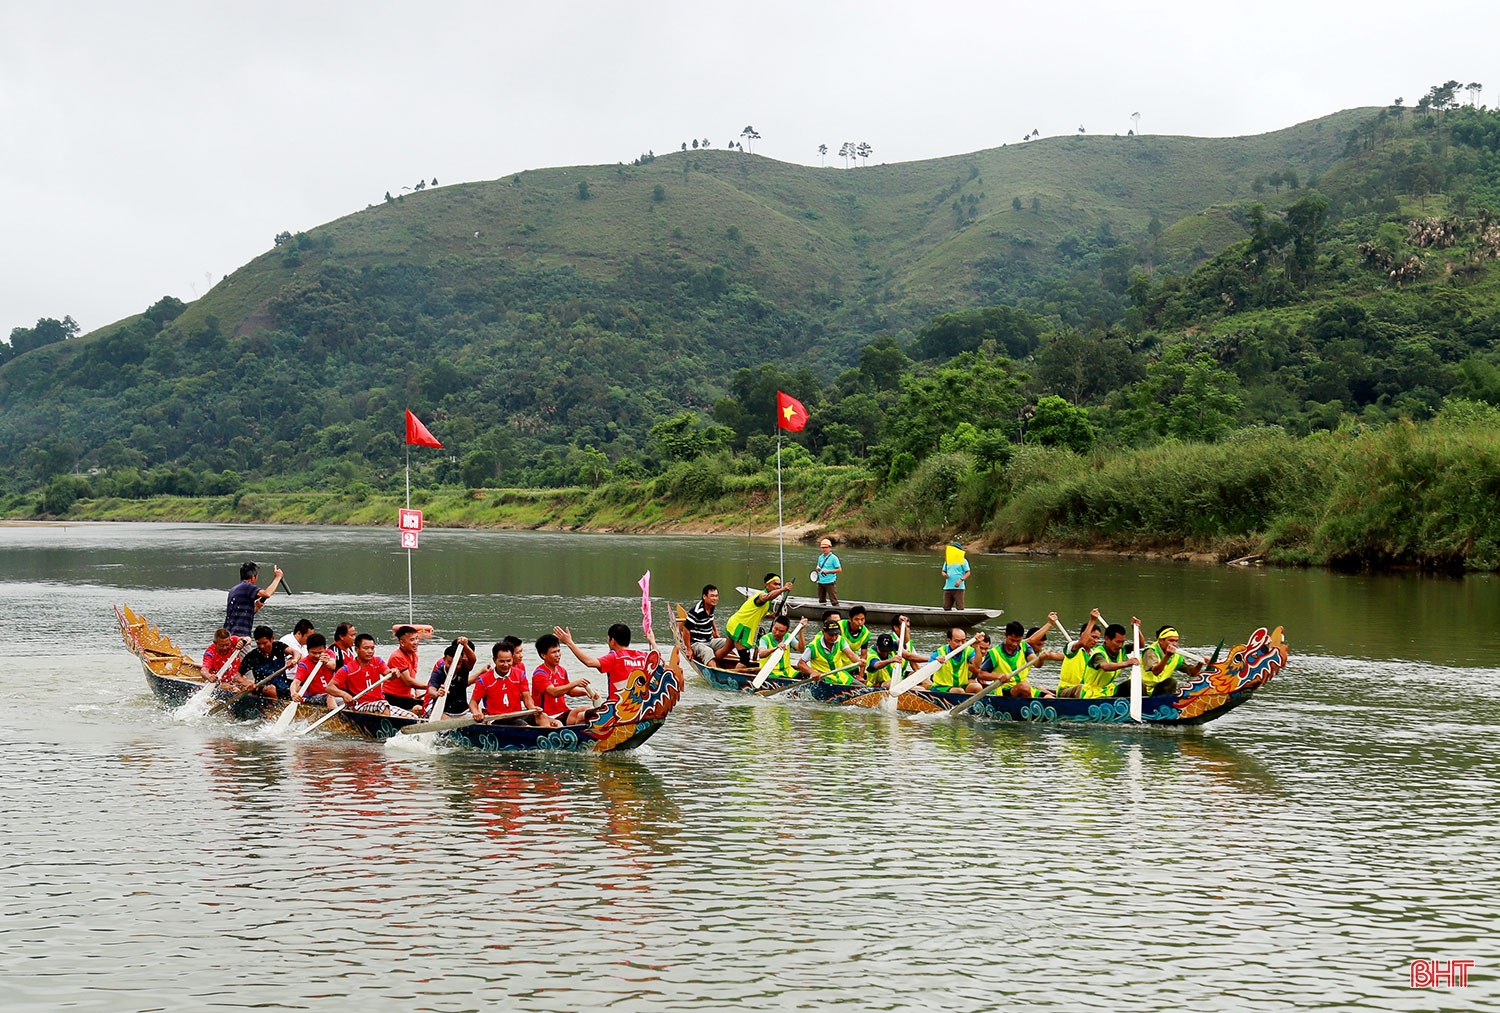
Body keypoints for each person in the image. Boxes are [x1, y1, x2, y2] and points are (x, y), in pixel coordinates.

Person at [555, 622, 655, 702]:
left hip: (618, 710)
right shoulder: (644, 656)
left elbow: (589, 662)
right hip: (641, 706)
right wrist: (653, 642)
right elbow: (660, 661)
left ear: (612, 641)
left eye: (608, 639)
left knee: (583, 715)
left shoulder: (615, 657)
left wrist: (569, 642)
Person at [714, 574, 791, 668]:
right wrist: (783, 589)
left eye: (779, 585)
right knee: (745, 660)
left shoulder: (767, 603)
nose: (778, 587)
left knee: (725, 650)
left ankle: (714, 666)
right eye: (775, 584)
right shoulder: (762, 595)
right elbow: (767, 597)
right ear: (767, 585)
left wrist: (771, 616)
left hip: (735, 623)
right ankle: (732, 677)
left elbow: (756, 612)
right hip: (741, 628)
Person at [973, 620, 1055, 699]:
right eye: (1012, 640)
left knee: (1049, 697)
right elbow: (981, 674)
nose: (1014, 644)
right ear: (1005, 635)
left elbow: (1037, 664)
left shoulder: (1025, 646)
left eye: (1018, 641)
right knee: (1024, 687)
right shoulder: (994, 653)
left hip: (1026, 688)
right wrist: (997, 676)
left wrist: (1041, 659)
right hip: (1003, 691)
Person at [471, 640, 546, 725]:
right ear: (494, 660)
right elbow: (473, 702)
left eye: (509, 661)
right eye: (502, 661)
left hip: (517, 715)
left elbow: (526, 697)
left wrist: (533, 708)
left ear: (512, 659)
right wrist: (475, 712)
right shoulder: (483, 679)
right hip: (497, 719)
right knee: (521, 724)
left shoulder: (520, 674)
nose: (506, 665)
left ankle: (547, 734)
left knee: (542, 716)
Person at [532, 632, 599, 725]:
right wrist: (575, 683)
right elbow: (554, 692)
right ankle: (579, 730)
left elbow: (569, 691)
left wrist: (585, 692)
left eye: (558, 651)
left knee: (589, 709)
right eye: (554, 652)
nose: (558, 655)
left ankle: (582, 729)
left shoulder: (561, 670)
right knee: (560, 722)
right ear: (543, 655)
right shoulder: (539, 674)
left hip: (564, 713)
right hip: (547, 717)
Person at [328, 634, 393, 713]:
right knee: (383, 705)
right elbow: (330, 687)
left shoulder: (378, 661)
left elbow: (389, 675)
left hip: (379, 703)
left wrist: (394, 672)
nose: (370, 651)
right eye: (366, 648)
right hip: (360, 705)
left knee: (410, 715)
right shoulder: (347, 669)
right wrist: (344, 695)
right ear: (356, 649)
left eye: (372, 648)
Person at [1140, 625, 1204, 696]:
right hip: (1142, 688)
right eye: (1171, 640)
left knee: (1171, 682)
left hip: (1158, 688)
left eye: (1176, 641)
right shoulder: (1150, 651)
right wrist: (1168, 656)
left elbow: (1192, 673)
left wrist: (1200, 664)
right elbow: (1156, 671)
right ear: (1160, 641)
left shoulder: (1176, 655)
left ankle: (1165, 703)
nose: (1174, 644)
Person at [224, 562, 283, 639]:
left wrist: (257, 607)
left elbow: (240, 614)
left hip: (229, 635)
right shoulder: (247, 586)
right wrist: (278, 577)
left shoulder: (234, 590)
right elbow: (267, 593)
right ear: (252, 577)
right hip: (240, 637)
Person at [794, 619, 863, 685]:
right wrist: (813, 672)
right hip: (823, 677)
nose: (834, 638)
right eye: (831, 635)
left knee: (862, 688)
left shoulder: (841, 640)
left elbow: (851, 655)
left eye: (836, 634)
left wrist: (859, 661)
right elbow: (801, 664)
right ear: (823, 632)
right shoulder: (813, 646)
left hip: (840, 675)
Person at [1055, 610, 1103, 698]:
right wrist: (1092, 620)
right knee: (1081, 688)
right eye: (1093, 637)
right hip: (1066, 690)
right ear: (1083, 634)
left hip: (1086, 691)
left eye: (1097, 638)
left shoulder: (1095, 654)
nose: (1095, 641)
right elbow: (1081, 642)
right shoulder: (1072, 647)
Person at [427, 637, 480, 717]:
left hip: (463, 712)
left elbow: (473, 660)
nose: (453, 667)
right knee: (445, 721)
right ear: (444, 660)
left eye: (457, 664)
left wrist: (465, 645)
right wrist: (437, 693)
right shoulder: (438, 673)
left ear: (462, 661)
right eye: (449, 663)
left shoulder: (464, 668)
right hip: (443, 712)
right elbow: (431, 691)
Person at [383, 625, 429, 715]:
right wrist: (430, 687)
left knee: (430, 705)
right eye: (412, 640)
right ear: (402, 643)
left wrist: (417, 691)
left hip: (406, 697)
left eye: (416, 639)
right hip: (392, 697)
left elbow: (412, 677)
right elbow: (408, 681)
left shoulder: (414, 655)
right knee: (420, 709)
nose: (416, 642)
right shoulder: (397, 657)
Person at [238, 625, 293, 699]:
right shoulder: (253, 656)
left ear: (272, 639)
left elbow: (296, 653)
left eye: (264, 643)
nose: (262, 647)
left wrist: (294, 660)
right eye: (258, 644)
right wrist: (248, 683)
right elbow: (238, 676)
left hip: (282, 685)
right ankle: (277, 707)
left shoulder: (278, 647)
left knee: (297, 687)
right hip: (263, 688)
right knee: (271, 689)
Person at [680, 585, 727, 666]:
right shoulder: (696, 611)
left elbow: (711, 619)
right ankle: (714, 671)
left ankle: (719, 660)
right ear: (704, 596)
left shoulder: (711, 606)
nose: (715, 598)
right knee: (708, 651)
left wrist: (716, 632)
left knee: (729, 642)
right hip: (697, 643)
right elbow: (686, 630)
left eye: (716, 596)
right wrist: (689, 649)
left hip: (709, 640)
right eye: (712, 596)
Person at [924, 626, 979, 694]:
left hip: (961, 686)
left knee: (977, 687)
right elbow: (927, 671)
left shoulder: (968, 650)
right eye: (957, 641)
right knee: (959, 691)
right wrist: (937, 662)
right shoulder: (939, 652)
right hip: (941, 688)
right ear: (949, 641)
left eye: (963, 641)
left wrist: (977, 647)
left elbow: (977, 665)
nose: (960, 644)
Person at [864, 632, 928, 688]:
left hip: (896, 679)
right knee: (895, 684)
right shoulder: (872, 655)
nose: (885, 653)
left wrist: (931, 659)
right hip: (879, 685)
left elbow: (906, 650)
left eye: (887, 650)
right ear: (877, 645)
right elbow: (876, 665)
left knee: (921, 676)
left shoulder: (893, 645)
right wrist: (891, 660)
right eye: (882, 650)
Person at [755, 614, 807, 682]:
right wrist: (775, 648)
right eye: (775, 629)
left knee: (807, 677)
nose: (777, 633)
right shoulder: (765, 639)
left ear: (786, 631)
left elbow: (801, 649)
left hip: (788, 672)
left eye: (781, 631)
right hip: (770, 673)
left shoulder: (789, 637)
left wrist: (801, 630)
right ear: (773, 626)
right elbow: (761, 654)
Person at [291, 633, 334, 706]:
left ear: (325, 649)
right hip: (311, 697)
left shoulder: (328, 654)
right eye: (313, 653)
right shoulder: (304, 664)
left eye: (320, 652)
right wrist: (293, 693)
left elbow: (333, 665)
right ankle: (337, 717)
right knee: (329, 697)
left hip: (330, 695)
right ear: (308, 650)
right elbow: (296, 682)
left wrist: (327, 662)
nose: (317, 656)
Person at [941, 542, 970, 611]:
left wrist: (960, 580)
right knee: (946, 608)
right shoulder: (948, 561)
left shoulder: (963, 560)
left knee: (960, 608)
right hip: (948, 587)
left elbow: (968, 573)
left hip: (959, 588)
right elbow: (943, 571)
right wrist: (944, 574)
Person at [814, 538, 841, 606]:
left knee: (833, 600)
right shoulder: (820, 557)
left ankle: (837, 613)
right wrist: (817, 568)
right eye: (823, 547)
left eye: (826, 547)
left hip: (830, 582)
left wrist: (828, 571)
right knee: (821, 600)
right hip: (820, 582)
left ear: (830, 548)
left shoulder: (834, 558)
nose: (824, 549)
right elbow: (818, 566)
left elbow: (839, 569)